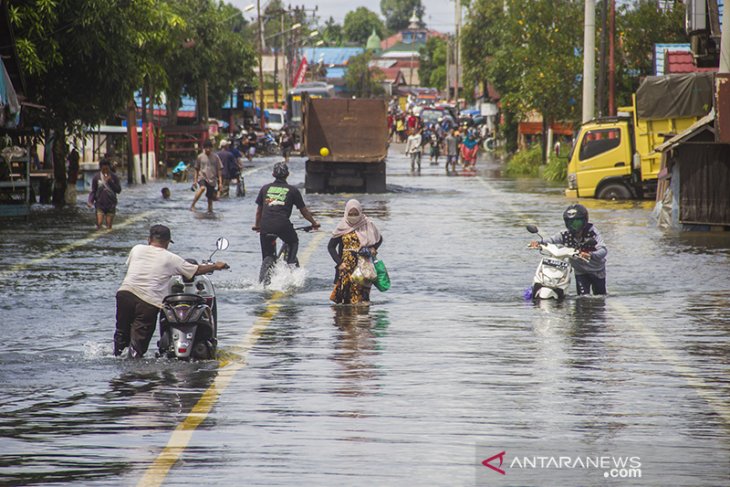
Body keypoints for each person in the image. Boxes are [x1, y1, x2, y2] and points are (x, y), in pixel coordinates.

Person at [114, 224, 228, 358]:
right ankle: (133, 370)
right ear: (168, 242)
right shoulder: (171, 258)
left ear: (149, 239)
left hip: (124, 294)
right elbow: (195, 269)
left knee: (121, 331)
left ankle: (117, 358)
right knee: (139, 341)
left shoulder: (136, 249)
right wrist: (216, 266)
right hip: (148, 301)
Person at [530, 204, 608, 296]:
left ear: (584, 220)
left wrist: (590, 254)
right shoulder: (565, 234)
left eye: (577, 222)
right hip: (580, 271)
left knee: (600, 297)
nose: (574, 226)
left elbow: (603, 250)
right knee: (582, 297)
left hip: (597, 270)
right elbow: (551, 240)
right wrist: (538, 243)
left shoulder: (593, 233)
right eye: (570, 222)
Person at [253, 162, 320, 266]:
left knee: (267, 256)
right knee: (293, 241)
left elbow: (259, 211)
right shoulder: (293, 190)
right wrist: (314, 223)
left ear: (273, 174)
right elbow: (304, 211)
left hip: (265, 226)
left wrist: (257, 226)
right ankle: (290, 263)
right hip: (283, 225)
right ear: (287, 174)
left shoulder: (265, 188)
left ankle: (265, 271)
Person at [328, 199, 383, 305]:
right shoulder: (342, 227)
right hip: (346, 266)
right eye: (351, 214)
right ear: (346, 212)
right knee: (345, 299)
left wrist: (373, 248)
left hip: (363, 265)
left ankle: (362, 320)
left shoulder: (367, 224)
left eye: (356, 214)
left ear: (360, 212)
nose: (353, 216)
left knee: (362, 298)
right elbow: (331, 247)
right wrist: (339, 263)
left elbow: (379, 239)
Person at [87, 158, 122, 229]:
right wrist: (90, 201)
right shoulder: (96, 178)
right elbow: (93, 191)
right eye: (103, 169)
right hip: (100, 204)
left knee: (109, 226)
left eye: (107, 169)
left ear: (109, 168)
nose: (105, 171)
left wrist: (110, 182)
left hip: (111, 205)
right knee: (99, 224)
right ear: (100, 168)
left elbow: (118, 190)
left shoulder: (114, 177)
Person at [190, 139, 223, 212]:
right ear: (204, 148)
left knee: (210, 198)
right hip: (202, 177)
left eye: (209, 148)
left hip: (212, 179)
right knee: (202, 188)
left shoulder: (215, 157)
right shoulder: (200, 157)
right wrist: (195, 181)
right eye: (206, 148)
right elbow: (196, 169)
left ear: (212, 148)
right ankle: (193, 205)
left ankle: (210, 211)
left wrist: (220, 183)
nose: (208, 149)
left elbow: (219, 170)